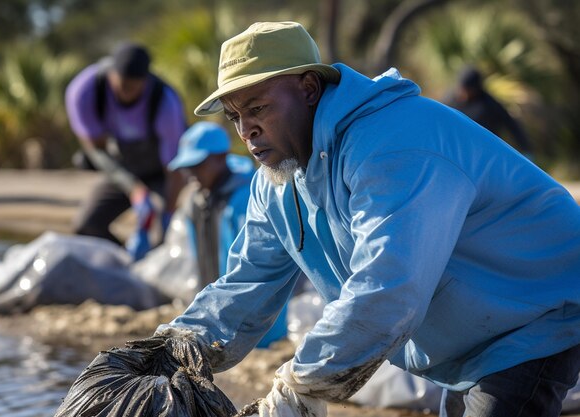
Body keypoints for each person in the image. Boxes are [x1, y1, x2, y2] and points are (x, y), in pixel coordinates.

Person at [150, 21, 580, 417]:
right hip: (470, 335)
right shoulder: (277, 181)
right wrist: (175, 347)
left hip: (535, 314)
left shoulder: (392, 146)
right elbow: (248, 283)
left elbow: (389, 288)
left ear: (309, 88)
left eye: (258, 108)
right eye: (235, 116)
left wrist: (304, 384)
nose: (246, 131)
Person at [167, 121, 287, 347]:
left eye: (198, 164)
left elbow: (257, 267)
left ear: (220, 157)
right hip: (219, 320)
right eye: (187, 166)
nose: (191, 173)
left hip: (260, 328)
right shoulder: (198, 199)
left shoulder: (245, 198)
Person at [65, 42, 187, 259]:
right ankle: (123, 262)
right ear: (111, 72)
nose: (126, 92)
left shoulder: (165, 101)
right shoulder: (84, 91)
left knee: (166, 234)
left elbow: (175, 168)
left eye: (134, 86)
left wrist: (168, 214)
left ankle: (155, 267)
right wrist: (133, 189)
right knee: (85, 224)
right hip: (123, 169)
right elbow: (95, 149)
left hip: (163, 172)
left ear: (146, 80)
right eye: (121, 84)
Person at [444, 65, 533, 157]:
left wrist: (526, 149)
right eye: (462, 88)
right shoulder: (450, 100)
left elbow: (512, 125)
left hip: (486, 154)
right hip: (459, 153)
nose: (463, 93)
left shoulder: (489, 104)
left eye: (467, 90)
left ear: (476, 88)